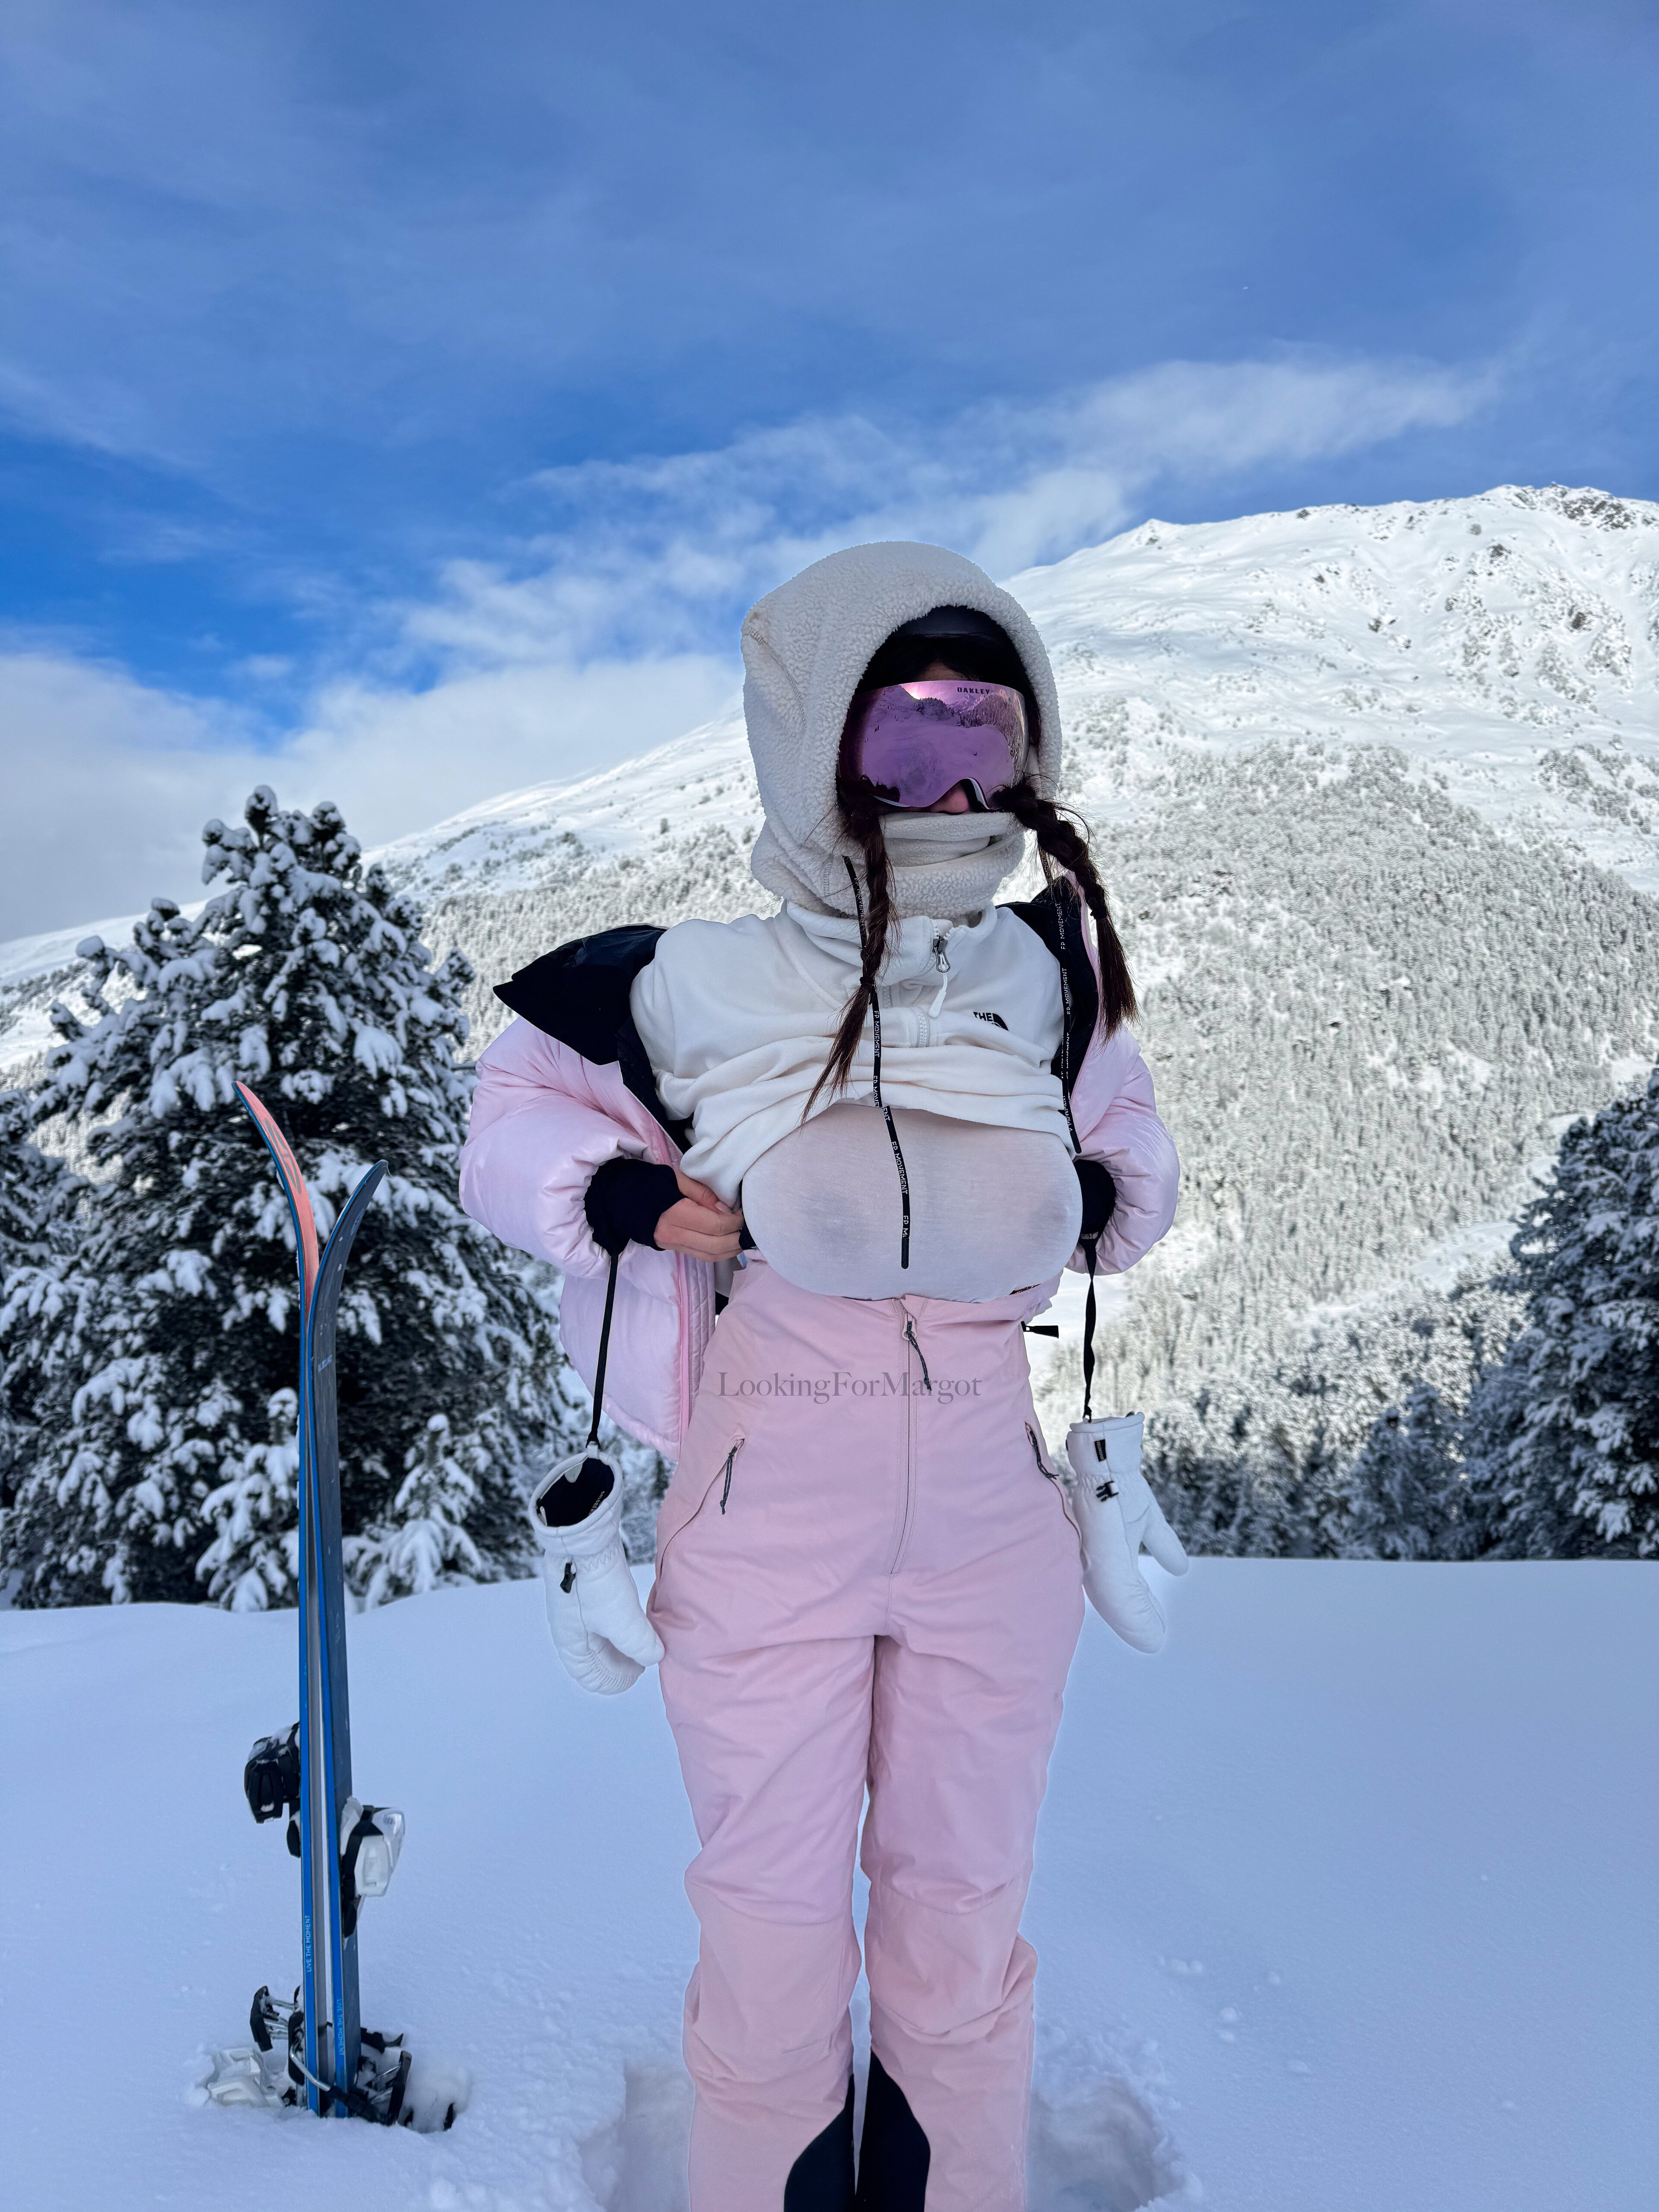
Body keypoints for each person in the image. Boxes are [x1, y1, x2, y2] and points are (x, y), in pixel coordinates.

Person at [458, 540, 1181, 2212]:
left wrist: (1088, 1189)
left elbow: (1134, 1154)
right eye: (905, 736)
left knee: (963, 1907)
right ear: (813, 748)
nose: (951, 787)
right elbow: (504, 1123)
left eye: (985, 737)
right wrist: (621, 1194)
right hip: (767, 1495)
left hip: (991, 1510)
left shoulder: (1049, 979)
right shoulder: (684, 983)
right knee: (773, 1919)